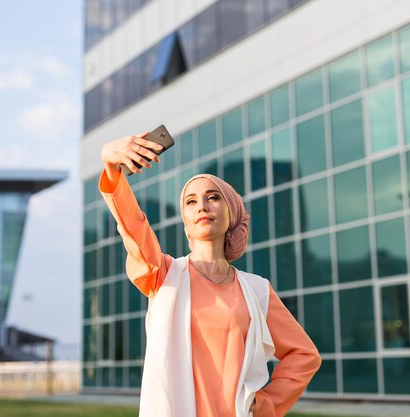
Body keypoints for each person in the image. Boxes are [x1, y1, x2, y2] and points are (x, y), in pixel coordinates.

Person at [99, 131, 321, 417]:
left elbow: (304, 355)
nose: (201, 205)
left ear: (232, 214)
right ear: (187, 225)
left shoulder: (256, 290)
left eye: (212, 197)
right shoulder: (164, 275)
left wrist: (266, 403)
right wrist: (110, 165)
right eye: (191, 202)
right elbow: (132, 225)